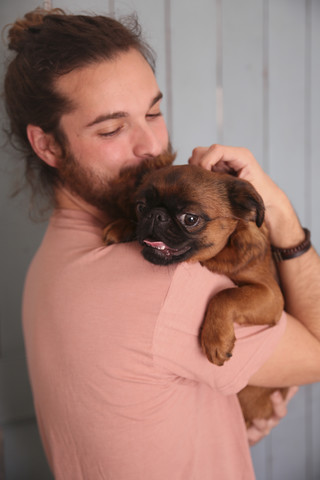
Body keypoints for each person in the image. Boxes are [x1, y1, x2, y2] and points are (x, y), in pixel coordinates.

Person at [3, 8, 320, 480]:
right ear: (48, 146)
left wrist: (224, 422)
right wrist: (284, 219)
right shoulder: (161, 281)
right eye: (111, 128)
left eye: (153, 111)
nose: (150, 144)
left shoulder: (51, 262)